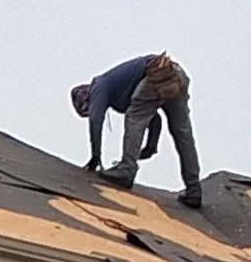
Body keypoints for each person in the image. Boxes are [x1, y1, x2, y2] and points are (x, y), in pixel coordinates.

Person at [70, 53, 202, 209]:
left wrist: (95, 156)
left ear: (87, 95)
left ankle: (126, 170)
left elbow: (96, 120)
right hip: (175, 74)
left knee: (134, 117)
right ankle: (194, 190)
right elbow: (154, 119)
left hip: (157, 72)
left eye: (88, 108)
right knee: (182, 133)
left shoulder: (99, 86)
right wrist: (151, 144)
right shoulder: (120, 94)